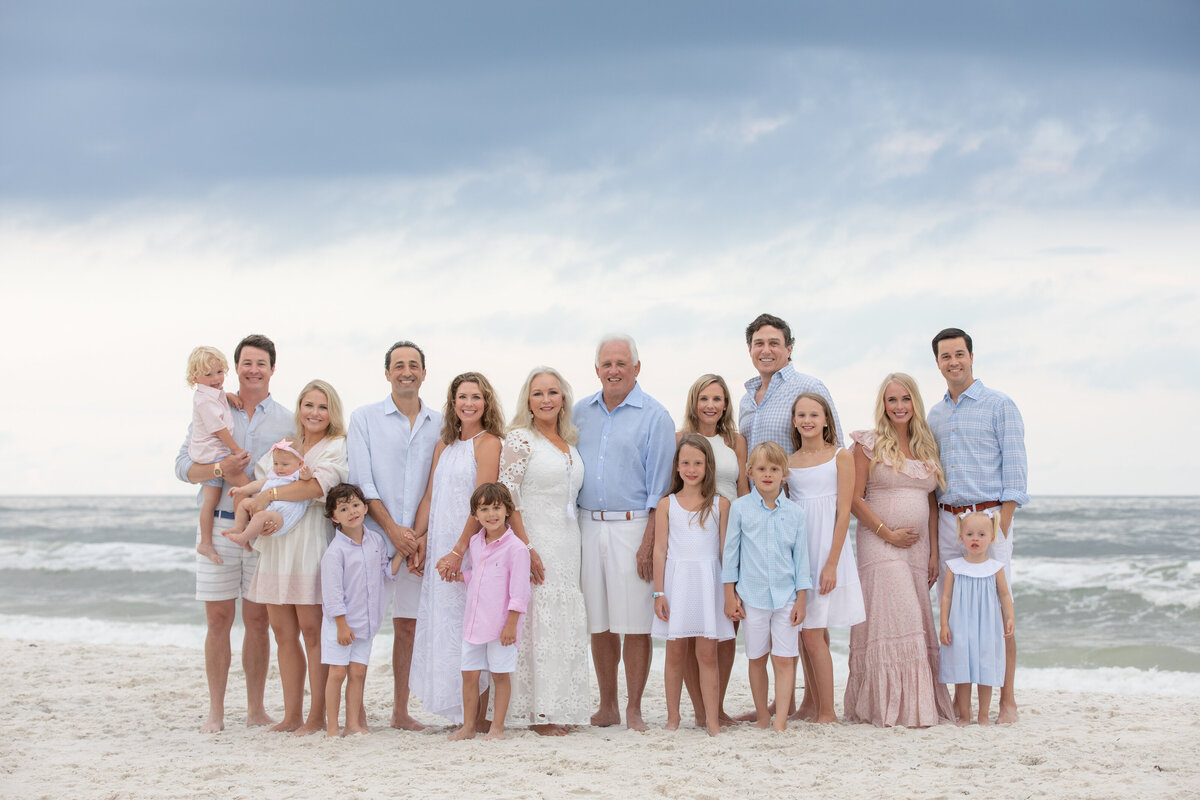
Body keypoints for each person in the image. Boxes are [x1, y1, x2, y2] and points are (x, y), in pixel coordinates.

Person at [175, 334, 293, 734]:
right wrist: (220, 471)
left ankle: (257, 709)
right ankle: (216, 712)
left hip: (263, 526)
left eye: (261, 363)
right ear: (236, 367)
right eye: (246, 363)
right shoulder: (212, 405)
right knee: (219, 619)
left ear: (272, 369)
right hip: (220, 520)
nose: (253, 370)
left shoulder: (287, 419)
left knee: (259, 620)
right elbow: (183, 467)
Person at [474, 367, 590, 735]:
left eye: (553, 392)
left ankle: (559, 707)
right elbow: (510, 498)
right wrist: (528, 548)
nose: (546, 399)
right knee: (535, 621)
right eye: (538, 393)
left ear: (563, 399)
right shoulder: (520, 440)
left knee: (561, 621)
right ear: (528, 399)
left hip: (570, 542)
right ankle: (536, 714)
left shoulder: (570, 444)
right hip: (534, 538)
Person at [573, 334, 676, 731]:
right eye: (606, 364)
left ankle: (634, 708)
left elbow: (660, 489)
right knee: (599, 622)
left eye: (621, 363)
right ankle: (608, 705)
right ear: (596, 368)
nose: (613, 370)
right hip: (586, 523)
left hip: (634, 525)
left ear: (636, 368)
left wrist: (650, 541)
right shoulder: (579, 412)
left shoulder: (656, 416)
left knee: (634, 622)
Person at [927, 327, 1028, 724]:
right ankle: (959, 702)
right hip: (948, 522)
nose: (953, 362)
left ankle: (1007, 700)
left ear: (971, 356)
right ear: (937, 362)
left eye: (959, 354)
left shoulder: (999, 405)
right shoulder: (933, 414)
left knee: (998, 612)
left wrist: (996, 529)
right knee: (953, 615)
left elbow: (1016, 479)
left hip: (989, 523)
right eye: (945, 356)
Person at [845, 373, 955, 727]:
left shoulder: (926, 448)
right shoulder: (868, 443)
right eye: (891, 400)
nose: (899, 407)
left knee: (916, 619)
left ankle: (919, 705)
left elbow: (932, 504)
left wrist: (934, 553)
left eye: (905, 399)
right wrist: (886, 533)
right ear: (883, 405)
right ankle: (892, 708)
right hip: (879, 543)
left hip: (918, 549)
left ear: (915, 403)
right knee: (898, 620)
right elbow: (852, 498)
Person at [240, 379, 348, 735]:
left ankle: (318, 715)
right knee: (282, 632)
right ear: (299, 409)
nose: (315, 413)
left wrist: (271, 495)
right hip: (277, 543)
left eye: (322, 406)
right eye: (308, 405)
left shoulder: (336, 446)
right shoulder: (285, 446)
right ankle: (292, 715)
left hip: (310, 542)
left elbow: (317, 487)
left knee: (312, 630)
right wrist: (265, 499)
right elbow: (261, 477)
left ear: (331, 412)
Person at [346, 341, 442, 731]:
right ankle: (356, 709)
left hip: (419, 544)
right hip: (372, 538)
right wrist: (392, 531)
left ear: (424, 372)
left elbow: (435, 487)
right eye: (399, 365)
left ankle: (400, 711)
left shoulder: (440, 423)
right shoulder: (364, 418)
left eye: (414, 365)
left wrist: (415, 538)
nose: (406, 371)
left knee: (408, 626)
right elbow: (362, 482)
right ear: (387, 373)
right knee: (363, 625)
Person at [409, 372, 504, 724]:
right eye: (462, 397)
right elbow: (431, 497)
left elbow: (484, 503)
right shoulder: (444, 445)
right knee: (446, 625)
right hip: (440, 549)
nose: (468, 403)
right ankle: (460, 713)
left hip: (470, 549)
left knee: (475, 626)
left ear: (486, 403)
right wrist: (419, 539)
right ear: (452, 403)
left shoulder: (489, 443)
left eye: (476, 397)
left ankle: (478, 718)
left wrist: (459, 550)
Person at [786, 393, 865, 724]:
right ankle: (813, 705)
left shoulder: (840, 456)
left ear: (826, 420)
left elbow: (844, 512)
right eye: (801, 415)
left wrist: (832, 562)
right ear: (794, 421)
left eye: (814, 415)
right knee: (805, 628)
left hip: (828, 548)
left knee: (812, 632)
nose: (807, 420)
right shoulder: (789, 463)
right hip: (799, 550)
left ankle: (827, 712)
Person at [721, 442, 810, 731]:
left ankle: (780, 720)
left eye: (774, 469)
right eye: (761, 469)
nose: (768, 474)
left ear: (784, 473)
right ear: (750, 472)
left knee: (784, 660)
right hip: (752, 597)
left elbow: (802, 560)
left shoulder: (795, 513)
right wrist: (729, 594)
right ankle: (762, 716)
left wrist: (801, 599)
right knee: (757, 658)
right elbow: (730, 554)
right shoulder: (740, 509)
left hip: (786, 598)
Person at [651, 434, 734, 736]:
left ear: (708, 466)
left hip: (708, 584)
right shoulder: (666, 505)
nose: (691, 468)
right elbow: (660, 550)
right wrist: (659, 592)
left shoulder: (720, 504)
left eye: (698, 463)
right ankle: (673, 718)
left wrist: (731, 592)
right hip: (677, 584)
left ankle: (711, 720)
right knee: (674, 654)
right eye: (685, 462)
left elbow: (727, 552)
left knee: (707, 654)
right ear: (676, 466)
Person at [677, 374, 747, 726]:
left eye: (717, 398)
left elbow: (744, 491)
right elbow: (671, 488)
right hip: (694, 537)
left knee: (727, 623)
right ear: (694, 401)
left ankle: (716, 706)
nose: (710, 405)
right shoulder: (681, 440)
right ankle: (701, 709)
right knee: (694, 625)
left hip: (733, 534)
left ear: (725, 404)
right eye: (704, 398)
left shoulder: (736, 441)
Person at [320, 484, 404, 737]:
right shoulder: (335, 553)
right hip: (341, 625)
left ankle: (353, 724)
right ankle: (333, 727)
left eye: (356, 505)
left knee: (358, 672)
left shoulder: (376, 541)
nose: (352, 512)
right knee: (337, 674)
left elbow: (386, 573)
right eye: (343, 509)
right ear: (335, 518)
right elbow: (332, 594)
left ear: (366, 508)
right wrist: (342, 625)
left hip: (366, 624)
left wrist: (402, 551)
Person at [449, 483, 531, 742]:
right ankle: (468, 726)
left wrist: (511, 625)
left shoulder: (517, 549)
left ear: (508, 511)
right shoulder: (475, 541)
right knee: (469, 674)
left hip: (501, 627)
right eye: (484, 509)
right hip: (474, 622)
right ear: (475, 515)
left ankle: (497, 728)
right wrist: (461, 576)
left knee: (500, 674)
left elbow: (519, 592)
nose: (491, 514)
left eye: (496, 507)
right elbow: (481, 575)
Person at [939, 510, 1015, 726]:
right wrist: (944, 624)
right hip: (961, 627)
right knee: (962, 671)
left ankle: (983, 715)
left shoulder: (995, 568)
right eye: (970, 534)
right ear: (961, 537)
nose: (975, 539)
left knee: (985, 670)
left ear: (992, 538)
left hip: (988, 627)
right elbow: (945, 597)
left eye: (982, 535)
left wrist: (1010, 618)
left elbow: (1004, 595)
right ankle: (964, 715)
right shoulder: (954, 566)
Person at [739, 313, 843, 453]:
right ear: (749, 349)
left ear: (789, 349)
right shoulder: (746, 401)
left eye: (774, 343)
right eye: (759, 344)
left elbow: (837, 447)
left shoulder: (810, 388)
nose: (766, 350)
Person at [184, 346, 249, 565]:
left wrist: (227, 395)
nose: (216, 378)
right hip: (213, 454)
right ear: (195, 378)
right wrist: (236, 450)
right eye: (209, 374)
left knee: (210, 502)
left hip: (207, 454)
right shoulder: (204, 401)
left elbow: (218, 398)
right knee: (244, 486)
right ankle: (240, 529)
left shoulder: (212, 394)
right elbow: (219, 429)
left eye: (219, 372)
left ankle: (205, 543)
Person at [220, 440, 310, 551]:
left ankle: (243, 538)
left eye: (285, 464)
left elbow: (307, 480)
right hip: (268, 508)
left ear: (300, 464)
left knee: (261, 516)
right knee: (243, 503)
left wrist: (307, 474)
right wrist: (241, 490)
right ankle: (238, 528)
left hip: (284, 515)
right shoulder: (274, 475)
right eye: (276, 463)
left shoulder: (296, 475)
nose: (279, 468)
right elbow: (257, 484)